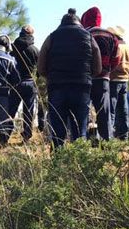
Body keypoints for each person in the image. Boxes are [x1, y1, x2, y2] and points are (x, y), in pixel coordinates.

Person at [38, 8, 102, 148]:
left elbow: (41, 67)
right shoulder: (88, 36)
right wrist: (89, 76)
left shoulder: (52, 37)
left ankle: (58, 162)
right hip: (82, 87)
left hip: (57, 87)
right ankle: (80, 161)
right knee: (80, 129)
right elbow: (98, 67)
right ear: (79, 22)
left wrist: (50, 77)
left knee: (58, 129)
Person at [81, 7, 121, 141]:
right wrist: (107, 70)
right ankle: (106, 142)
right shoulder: (111, 37)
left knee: (83, 111)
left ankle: (83, 142)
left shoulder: (83, 34)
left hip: (85, 78)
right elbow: (117, 59)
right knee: (104, 113)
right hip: (103, 80)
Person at [8, 25, 40, 143]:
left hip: (15, 84)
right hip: (30, 83)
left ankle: (3, 137)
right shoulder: (35, 50)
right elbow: (40, 69)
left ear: (20, 33)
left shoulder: (13, 48)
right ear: (31, 35)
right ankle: (26, 137)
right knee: (28, 112)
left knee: (10, 111)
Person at [108, 26, 129, 140]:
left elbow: (112, 62)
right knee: (123, 109)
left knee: (111, 109)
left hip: (113, 79)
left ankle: (109, 136)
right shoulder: (128, 49)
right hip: (124, 80)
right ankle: (123, 136)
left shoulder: (116, 46)